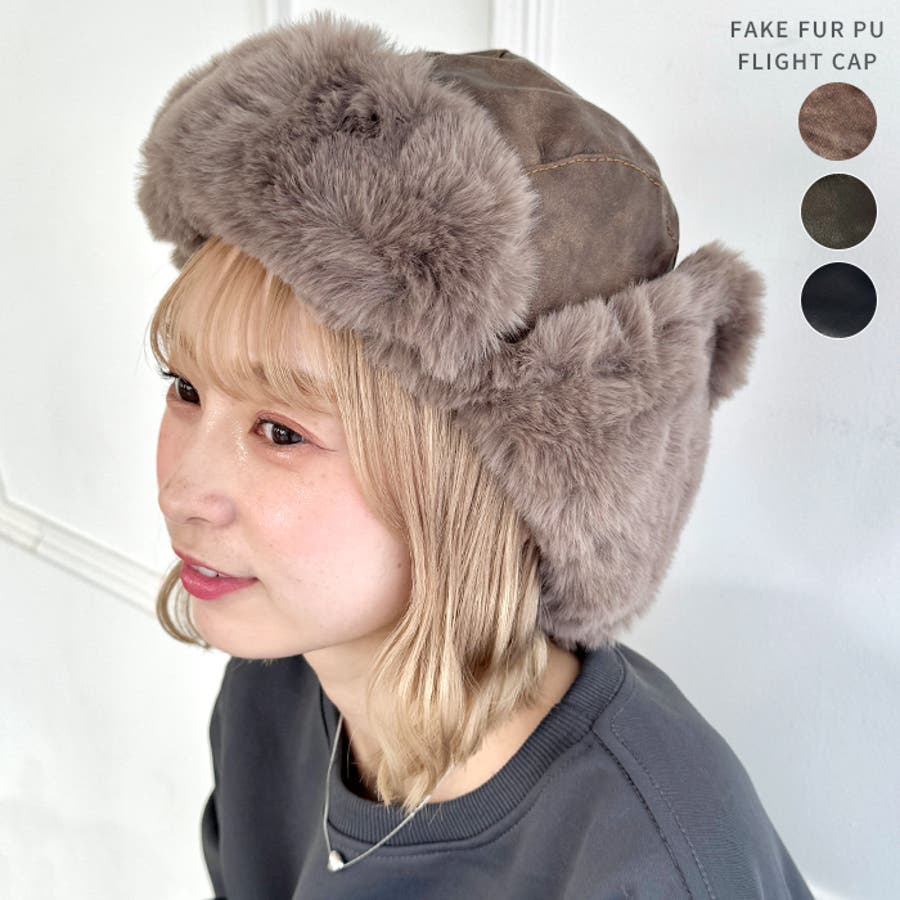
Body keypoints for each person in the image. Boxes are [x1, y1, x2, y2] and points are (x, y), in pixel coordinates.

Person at [135, 10, 816, 899]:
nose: (184, 491)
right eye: (185, 388)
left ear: (481, 484)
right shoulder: (277, 691)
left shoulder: (647, 864)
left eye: (282, 432)